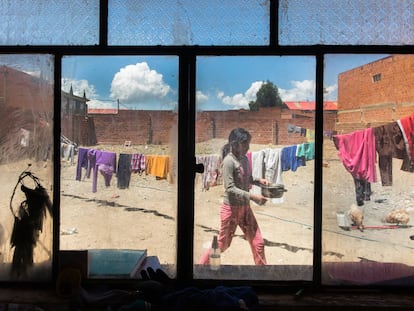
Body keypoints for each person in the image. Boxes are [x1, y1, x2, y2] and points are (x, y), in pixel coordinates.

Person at [199, 128, 269, 265]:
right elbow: (230, 188)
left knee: (258, 243)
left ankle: (262, 273)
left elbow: (246, 178)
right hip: (231, 210)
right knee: (223, 244)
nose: (248, 147)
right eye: (245, 144)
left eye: (248, 143)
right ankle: (201, 266)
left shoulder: (244, 159)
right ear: (234, 144)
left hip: (245, 209)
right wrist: (253, 197)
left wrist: (258, 181)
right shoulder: (228, 162)